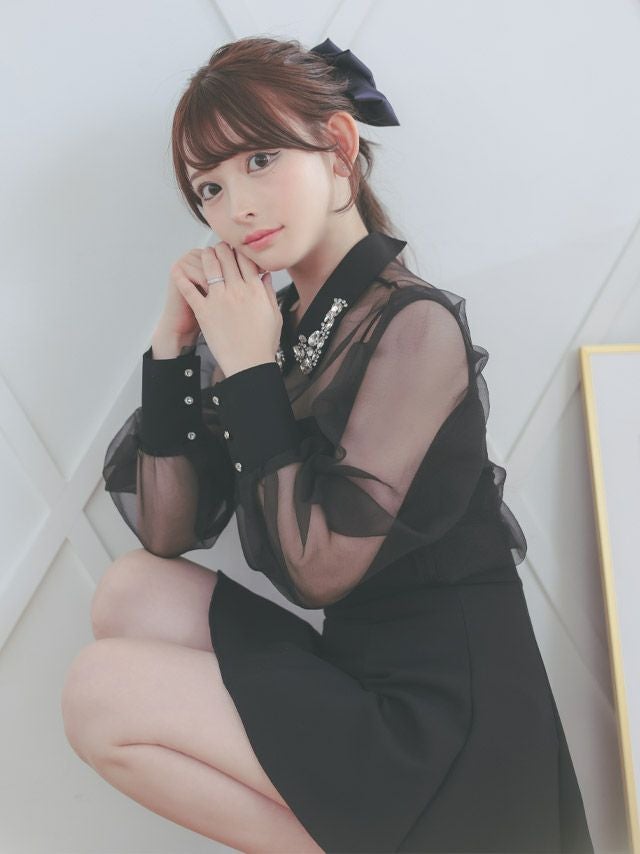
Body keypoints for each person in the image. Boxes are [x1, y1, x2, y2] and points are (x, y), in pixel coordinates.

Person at [63, 35, 594, 853]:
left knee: (102, 692)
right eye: (210, 187)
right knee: (131, 590)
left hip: (449, 725)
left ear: (339, 146)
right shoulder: (277, 327)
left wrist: (248, 371)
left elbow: (316, 569)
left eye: (261, 159)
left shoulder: (412, 323)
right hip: (358, 672)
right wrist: (173, 347)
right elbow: (168, 533)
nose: (237, 206)